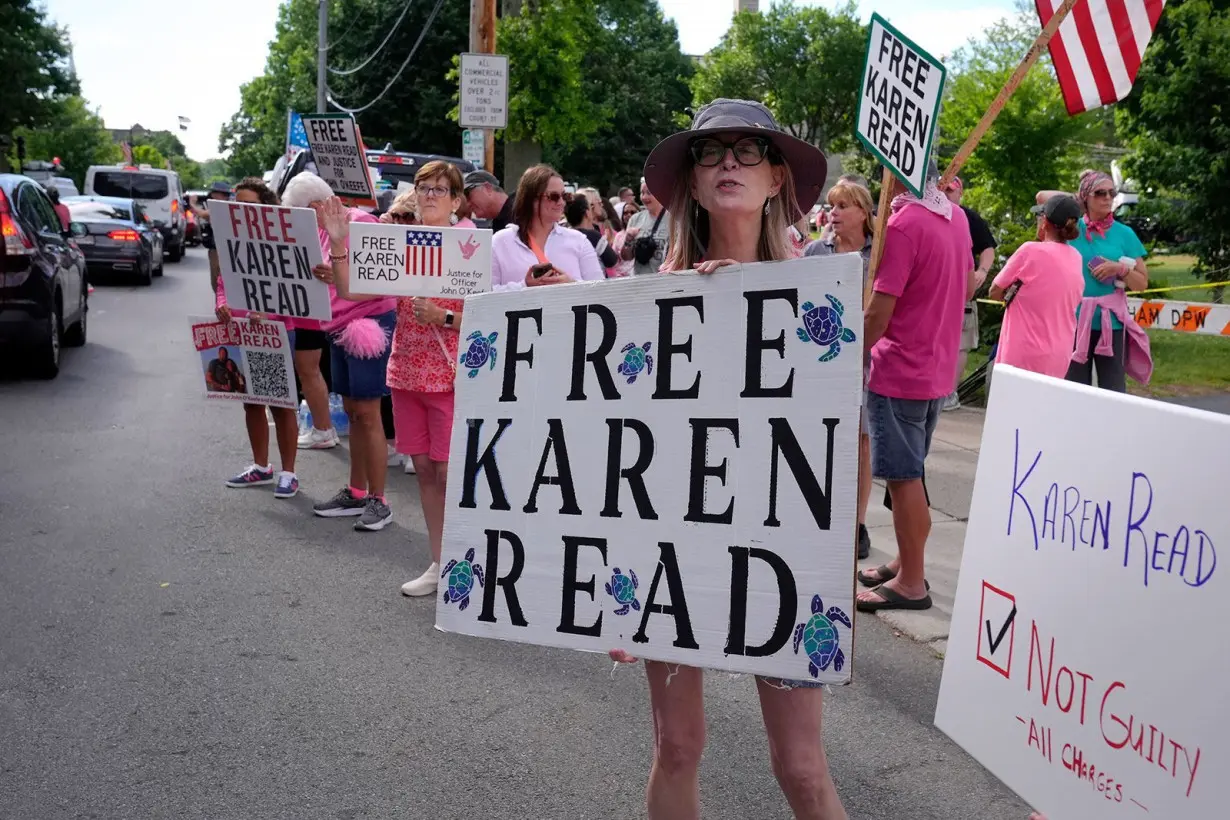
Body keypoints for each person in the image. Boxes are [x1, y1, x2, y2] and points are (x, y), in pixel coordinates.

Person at [612, 98, 845, 820]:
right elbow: (612, 449)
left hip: (782, 557)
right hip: (672, 555)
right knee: (677, 745)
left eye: (748, 151)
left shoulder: (818, 303)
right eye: (711, 153)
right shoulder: (647, 300)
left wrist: (837, 572)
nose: (729, 164)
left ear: (778, 178)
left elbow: (842, 448)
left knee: (801, 768)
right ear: (692, 179)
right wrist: (608, 589)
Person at [854, 161, 975, 613]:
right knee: (913, 474)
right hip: (936, 368)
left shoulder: (903, 225)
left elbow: (877, 315)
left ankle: (911, 582)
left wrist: (847, 355)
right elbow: (965, 288)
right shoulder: (955, 216)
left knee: (904, 479)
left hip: (900, 369)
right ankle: (909, 561)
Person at [289, 172, 398, 531]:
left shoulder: (362, 222)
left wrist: (336, 271)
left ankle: (379, 500)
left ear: (318, 205)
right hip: (337, 327)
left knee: (369, 414)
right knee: (353, 413)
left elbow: (384, 282)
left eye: (301, 213)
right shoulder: (320, 229)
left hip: (367, 324)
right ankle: (356, 491)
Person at [385, 161, 473, 596]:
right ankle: (440, 561)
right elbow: (351, 290)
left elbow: (489, 316)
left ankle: (465, 561)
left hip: (450, 377)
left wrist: (446, 316)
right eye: (424, 187)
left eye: (442, 189)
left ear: (456, 201)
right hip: (406, 371)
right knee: (422, 468)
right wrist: (341, 253)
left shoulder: (471, 247)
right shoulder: (398, 244)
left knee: (448, 471)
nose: (431, 194)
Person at [213, 178, 303, 498]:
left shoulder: (282, 240)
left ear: (265, 207)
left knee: (280, 404)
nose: (241, 209)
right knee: (252, 402)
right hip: (241, 330)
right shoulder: (231, 240)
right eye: (237, 204)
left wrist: (269, 315)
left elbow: (292, 289)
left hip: (275, 331)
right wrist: (221, 304)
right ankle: (261, 467)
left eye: (248, 204)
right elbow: (223, 282)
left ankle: (288, 473)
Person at [804, 179, 875, 560]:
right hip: (821, 362)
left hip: (866, 360)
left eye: (844, 206)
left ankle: (858, 523)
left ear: (864, 212)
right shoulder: (816, 250)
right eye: (832, 206)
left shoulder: (878, 255)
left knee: (861, 443)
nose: (834, 213)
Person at [1038, 170, 1150, 392]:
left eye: (1111, 192)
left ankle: (1110, 428)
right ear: (1085, 198)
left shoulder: (1124, 233)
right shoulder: (1073, 228)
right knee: (1075, 390)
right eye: (1100, 193)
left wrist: (1119, 268)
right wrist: (1077, 197)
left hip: (1111, 323)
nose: (1108, 198)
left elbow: (1142, 283)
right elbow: (1042, 197)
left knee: (1113, 390)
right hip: (1074, 320)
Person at [987, 195, 1085, 379]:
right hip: (1059, 354)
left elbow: (994, 291)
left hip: (1023, 352)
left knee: (1012, 406)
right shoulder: (1076, 257)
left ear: (1045, 222)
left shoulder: (1030, 250)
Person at [490, 164, 605, 291]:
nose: (561, 202)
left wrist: (571, 284)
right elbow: (483, 294)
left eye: (565, 196)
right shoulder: (500, 242)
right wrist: (524, 286)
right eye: (554, 197)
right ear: (531, 199)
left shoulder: (579, 241)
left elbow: (599, 291)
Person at [942, 177, 997, 411]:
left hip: (962, 292)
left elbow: (988, 248)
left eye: (950, 190)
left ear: (960, 192)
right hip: (934, 291)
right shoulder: (928, 214)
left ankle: (949, 392)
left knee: (960, 344)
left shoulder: (969, 218)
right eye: (942, 189)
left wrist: (982, 271)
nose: (946, 194)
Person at [621, 177, 669, 276]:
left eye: (649, 193)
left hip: (664, 281)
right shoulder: (635, 219)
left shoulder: (674, 220)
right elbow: (626, 257)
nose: (644, 197)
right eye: (642, 193)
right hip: (639, 281)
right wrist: (628, 240)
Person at [565, 193, 620, 271]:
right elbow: (612, 261)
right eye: (590, 207)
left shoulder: (564, 235)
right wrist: (606, 242)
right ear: (587, 213)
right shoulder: (593, 236)